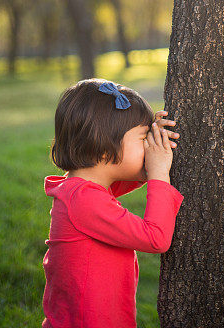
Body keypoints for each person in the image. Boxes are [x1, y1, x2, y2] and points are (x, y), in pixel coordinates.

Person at [42, 78, 183, 328]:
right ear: (106, 150)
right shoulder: (84, 201)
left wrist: (152, 147)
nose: (149, 145)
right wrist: (159, 173)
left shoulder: (80, 190)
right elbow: (156, 238)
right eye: (143, 139)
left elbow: (121, 178)